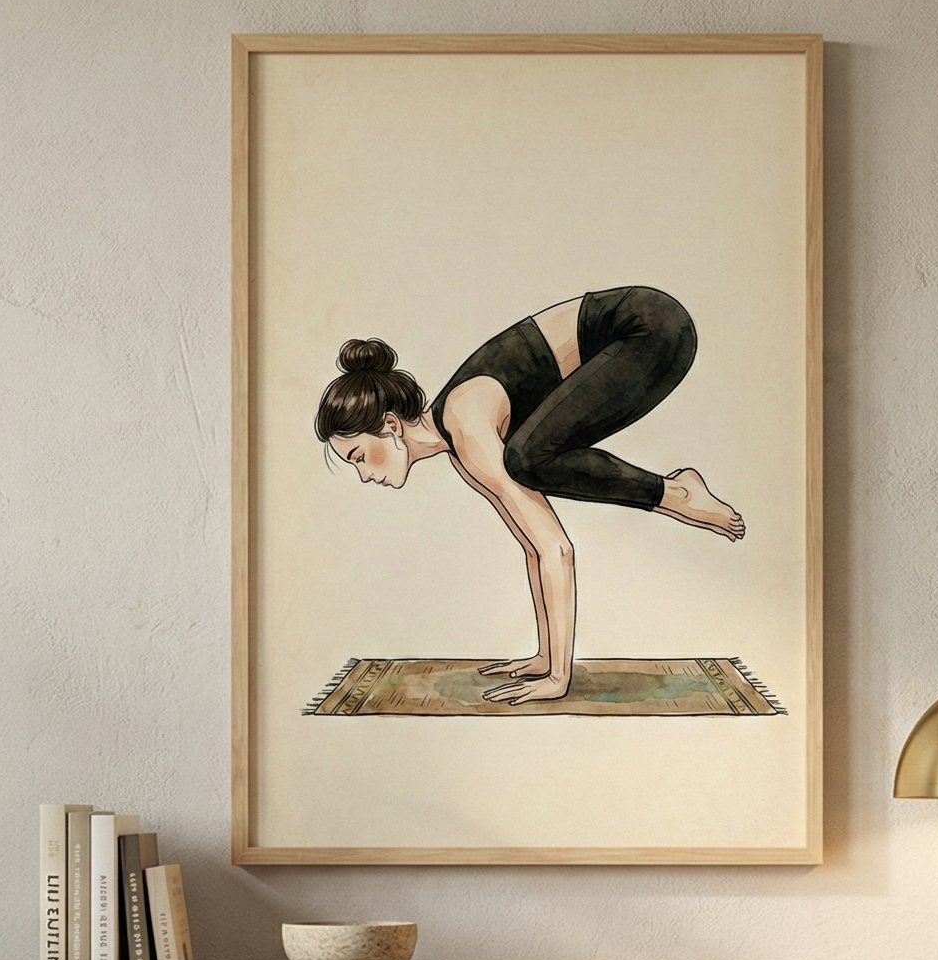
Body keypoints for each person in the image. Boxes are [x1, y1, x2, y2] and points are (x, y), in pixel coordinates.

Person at [314, 286, 742, 706]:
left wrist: (559, 677)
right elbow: (534, 545)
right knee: (528, 458)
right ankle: (677, 492)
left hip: (652, 329)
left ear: (389, 424)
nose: (364, 474)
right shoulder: (461, 446)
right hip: (640, 334)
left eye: (358, 457)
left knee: (527, 458)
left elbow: (557, 549)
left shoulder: (466, 423)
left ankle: (678, 493)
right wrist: (544, 657)